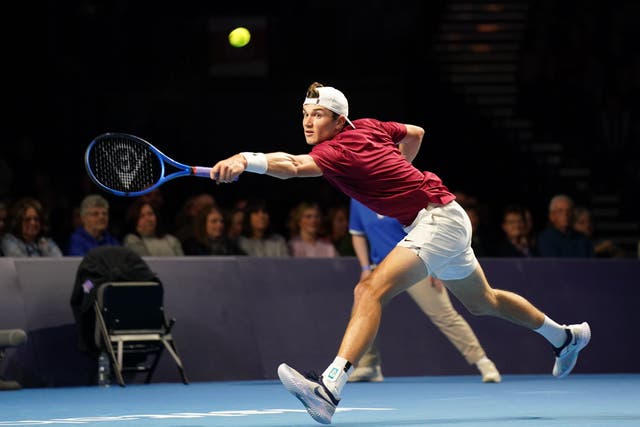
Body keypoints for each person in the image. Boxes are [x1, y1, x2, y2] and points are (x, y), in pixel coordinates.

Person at [210, 82, 591, 424]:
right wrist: (398, 172)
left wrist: (245, 159)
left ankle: (328, 389)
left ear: (340, 120)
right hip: (444, 214)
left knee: (370, 289)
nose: (308, 122)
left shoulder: (339, 149)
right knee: (484, 301)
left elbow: (293, 166)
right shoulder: (371, 126)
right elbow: (415, 132)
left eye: (318, 115)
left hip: (437, 220)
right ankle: (565, 337)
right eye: (305, 115)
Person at [348, 198, 501, 383]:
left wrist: (435, 260)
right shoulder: (357, 198)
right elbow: (358, 234)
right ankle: (369, 366)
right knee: (362, 308)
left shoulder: (397, 189)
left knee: (444, 315)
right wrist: (365, 268)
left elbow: (429, 226)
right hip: (380, 267)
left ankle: (483, 362)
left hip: (415, 261)